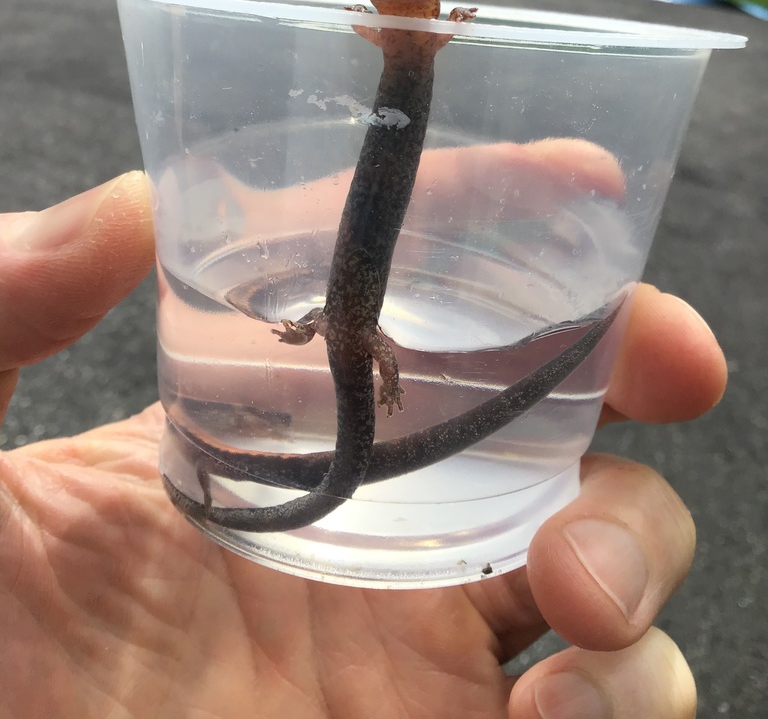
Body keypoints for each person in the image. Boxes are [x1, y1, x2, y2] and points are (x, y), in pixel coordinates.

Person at [0, 171, 725, 718]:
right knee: (350, 432)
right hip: (347, 329)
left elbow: (348, 324)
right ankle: (260, 479)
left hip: (346, 330)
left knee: (348, 432)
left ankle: (256, 479)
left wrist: (353, 360)